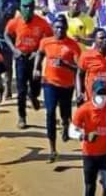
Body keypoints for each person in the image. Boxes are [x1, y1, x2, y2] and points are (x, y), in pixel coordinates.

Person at [34, 14, 81, 160]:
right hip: (49, 83)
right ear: (53, 28)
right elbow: (40, 54)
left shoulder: (73, 45)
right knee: (50, 113)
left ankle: (66, 125)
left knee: (65, 113)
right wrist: (36, 68)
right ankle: (52, 148)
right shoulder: (46, 42)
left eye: (62, 27)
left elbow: (79, 69)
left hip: (67, 86)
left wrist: (66, 65)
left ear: (66, 28)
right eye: (57, 27)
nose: (59, 30)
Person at [5, 0, 53, 128]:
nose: (28, 9)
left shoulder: (42, 22)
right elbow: (7, 35)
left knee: (35, 84)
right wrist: (14, 49)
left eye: (30, 7)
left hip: (35, 58)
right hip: (21, 57)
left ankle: (33, 96)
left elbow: (50, 38)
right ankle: (22, 116)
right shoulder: (15, 22)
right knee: (21, 90)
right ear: (21, 8)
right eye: (25, 7)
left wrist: (39, 52)